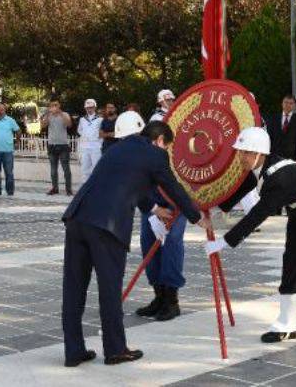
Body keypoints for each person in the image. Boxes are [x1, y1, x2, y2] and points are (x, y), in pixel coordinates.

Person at [60, 114, 207, 367]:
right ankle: (115, 350)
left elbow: (128, 184)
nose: (167, 153)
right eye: (167, 147)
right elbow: (171, 186)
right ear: (160, 140)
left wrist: (153, 208)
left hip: (77, 219)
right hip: (106, 227)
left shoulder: (117, 150)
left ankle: (73, 351)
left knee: (73, 289)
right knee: (109, 290)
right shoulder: (155, 155)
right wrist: (197, 216)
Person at [205, 127, 296, 352]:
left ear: (259, 153)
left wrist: (224, 242)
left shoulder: (278, 178)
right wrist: (212, 208)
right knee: (291, 264)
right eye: (240, 151)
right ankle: (287, 324)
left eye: (246, 152)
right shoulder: (261, 168)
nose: (241, 156)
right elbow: (240, 190)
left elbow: (257, 215)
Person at [132, 90, 187, 322]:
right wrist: (153, 209)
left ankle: (171, 300)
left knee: (172, 244)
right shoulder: (149, 136)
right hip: (152, 202)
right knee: (148, 244)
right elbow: (137, 182)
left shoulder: (181, 129)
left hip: (175, 200)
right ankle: (159, 296)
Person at [42, 99, 73, 196]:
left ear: (59, 106)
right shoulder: (49, 116)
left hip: (63, 145)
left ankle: (68, 189)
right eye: (52, 105)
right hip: (52, 145)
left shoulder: (65, 114)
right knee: (53, 169)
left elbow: (69, 124)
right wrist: (47, 114)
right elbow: (43, 126)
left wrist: (60, 113)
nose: (54, 107)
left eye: (56, 105)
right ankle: (55, 188)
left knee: (66, 168)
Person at [267, 94, 296, 162]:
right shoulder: (274, 118)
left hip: (291, 157)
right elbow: (269, 136)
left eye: (291, 103)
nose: (288, 105)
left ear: (294, 105)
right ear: (282, 104)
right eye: (286, 102)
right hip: (274, 156)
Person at [77, 98, 102, 181]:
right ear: (85, 108)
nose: (89, 109)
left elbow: (101, 132)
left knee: (96, 168)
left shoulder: (100, 119)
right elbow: (79, 130)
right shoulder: (82, 119)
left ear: (95, 107)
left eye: (91, 107)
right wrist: (85, 136)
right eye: (87, 107)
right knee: (85, 168)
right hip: (85, 147)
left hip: (96, 146)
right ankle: (85, 187)